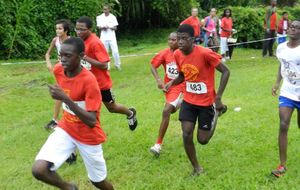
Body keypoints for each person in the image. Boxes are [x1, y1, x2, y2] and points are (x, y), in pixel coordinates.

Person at [32, 37, 114, 190]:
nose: (63, 60)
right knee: (39, 169)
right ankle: (69, 188)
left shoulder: (89, 81)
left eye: (68, 56)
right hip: (66, 128)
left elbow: (91, 121)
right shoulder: (58, 70)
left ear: (82, 56)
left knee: (98, 182)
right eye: (61, 55)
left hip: (89, 137)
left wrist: (65, 98)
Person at [164, 24, 230, 175]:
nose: (180, 42)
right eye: (178, 39)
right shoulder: (177, 54)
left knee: (203, 140)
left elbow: (226, 71)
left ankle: (217, 112)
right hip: (188, 101)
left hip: (206, 103)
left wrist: (218, 97)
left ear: (192, 40)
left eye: (184, 39)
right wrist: (171, 83)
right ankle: (197, 168)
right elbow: (183, 75)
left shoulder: (205, 53)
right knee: (186, 133)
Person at [75, 16, 137, 130]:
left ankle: (130, 113)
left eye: (82, 29)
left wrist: (85, 57)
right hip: (86, 83)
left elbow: (104, 65)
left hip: (101, 84)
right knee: (86, 108)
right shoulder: (79, 41)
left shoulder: (95, 43)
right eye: (77, 29)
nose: (79, 32)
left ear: (90, 29)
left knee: (112, 108)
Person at [271, 19, 300, 177]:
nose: (293, 29)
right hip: (287, 92)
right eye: (292, 26)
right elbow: (282, 64)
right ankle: (282, 165)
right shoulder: (281, 48)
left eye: (297, 27)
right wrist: (277, 82)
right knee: (283, 124)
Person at [149, 32, 183, 156]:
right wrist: (158, 80)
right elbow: (153, 65)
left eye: (174, 39)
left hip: (183, 83)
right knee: (171, 110)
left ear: (179, 41)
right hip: (171, 85)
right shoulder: (164, 53)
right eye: (169, 39)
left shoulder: (184, 52)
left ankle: (158, 144)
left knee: (166, 110)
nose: (171, 41)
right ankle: (182, 102)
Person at [44, 19, 71, 130]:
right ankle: (55, 120)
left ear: (66, 30)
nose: (57, 30)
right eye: (56, 28)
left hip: (70, 69)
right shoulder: (55, 40)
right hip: (60, 70)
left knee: (69, 93)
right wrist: (48, 63)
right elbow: (47, 53)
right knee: (60, 92)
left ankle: (69, 117)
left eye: (60, 28)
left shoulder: (71, 41)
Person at [96, 5, 121, 70]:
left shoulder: (113, 17)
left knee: (115, 51)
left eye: (106, 9)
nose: (105, 11)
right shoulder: (99, 17)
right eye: (104, 9)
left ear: (109, 10)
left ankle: (117, 65)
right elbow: (98, 27)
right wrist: (103, 27)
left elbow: (115, 28)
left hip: (112, 36)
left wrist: (110, 27)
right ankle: (107, 66)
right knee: (105, 52)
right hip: (103, 37)